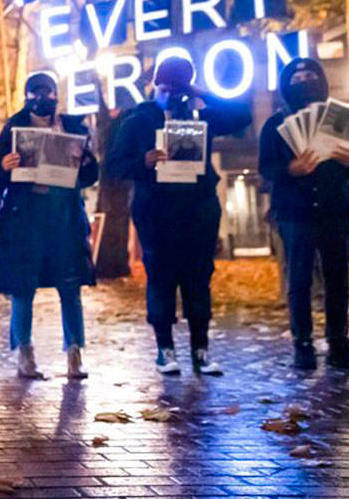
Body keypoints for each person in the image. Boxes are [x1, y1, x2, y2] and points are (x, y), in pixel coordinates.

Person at [107, 57, 251, 376]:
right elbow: (115, 165)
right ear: (155, 85)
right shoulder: (138, 118)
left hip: (198, 206)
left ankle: (201, 350)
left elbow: (242, 115)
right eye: (168, 87)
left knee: (199, 276)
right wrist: (143, 162)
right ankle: (165, 349)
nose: (174, 94)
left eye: (179, 87)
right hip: (156, 208)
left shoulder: (202, 114)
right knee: (160, 277)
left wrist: (201, 94)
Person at [259, 57, 349, 372]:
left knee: (338, 281)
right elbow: (266, 169)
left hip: (334, 211)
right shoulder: (275, 124)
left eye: (310, 75)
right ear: (286, 84)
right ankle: (303, 346)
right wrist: (291, 169)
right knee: (300, 280)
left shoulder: (338, 120)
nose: (304, 81)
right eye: (297, 78)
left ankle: (338, 345)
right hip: (296, 214)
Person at [0, 73, 97, 379]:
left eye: (48, 93)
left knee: (70, 285)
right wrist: (5, 167)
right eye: (36, 93)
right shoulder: (13, 127)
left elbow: (90, 174)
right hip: (26, 219)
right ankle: (24, 353)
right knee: (23, 288)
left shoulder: (73, 127)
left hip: (64, 216)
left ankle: (75, 353)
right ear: (27, 97)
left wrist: (85, 161)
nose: (42, 98)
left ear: (56, 96)